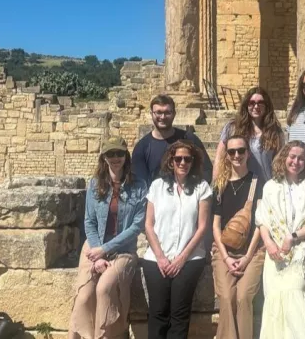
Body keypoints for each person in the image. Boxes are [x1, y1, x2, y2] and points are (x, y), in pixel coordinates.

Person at [69, 137, 147, 339]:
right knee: (84, 295)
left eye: (119, 153)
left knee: (105, 288)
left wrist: (106, 249)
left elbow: (136, 226)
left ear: (126, 156)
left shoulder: (139, 186)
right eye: (110, 154)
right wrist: (98, 253)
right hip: (93, 247)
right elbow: (89, 221)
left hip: (123, 250)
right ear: (104, 157)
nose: (115, 158)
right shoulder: (95, 184)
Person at [142, 140, 213, 339]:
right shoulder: (158, 186)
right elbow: (148, 224)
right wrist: (161, 257)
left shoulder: (202, 187)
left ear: (193, 162)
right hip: (157, 258)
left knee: (179, 315)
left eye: (187, 159)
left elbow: (202, 227)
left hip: (190, 258)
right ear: (171, 161)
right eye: (178, 159)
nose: (183, 163)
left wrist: (181, 259)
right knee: (157, 313)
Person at [256, 141, 305, 339]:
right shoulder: (271, 186)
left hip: (302, 257)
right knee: (275, 307)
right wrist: (269, 243)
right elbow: (262, 220)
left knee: (297, 297)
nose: (296, 162)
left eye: (301, 158)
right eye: (292, 156)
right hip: (275, 257)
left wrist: (293, 237)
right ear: (284, 157)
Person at [211, 136, 266, 339]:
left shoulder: (258, 183)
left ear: (248, 153)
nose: (236, 155)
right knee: (226, 297)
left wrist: (247, 257)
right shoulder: (220, 184)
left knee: (243, 297)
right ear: (226, 155)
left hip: (252, 250)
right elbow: (215, 225)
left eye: (241, 150)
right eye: (232, 151)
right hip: (224, 250)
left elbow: (260, 223)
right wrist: (226, 258)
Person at [132, 94, 212, 186]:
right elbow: (140, 184)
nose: (163, 117)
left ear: (174, 114)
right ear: (151, 114)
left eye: (167, 112)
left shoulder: (189, 139)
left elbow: (206, 172)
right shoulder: (142, 147)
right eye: (158, 112)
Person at [214, 86, 284, 183]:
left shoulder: (275, 132)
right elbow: (219, 158)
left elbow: (280, 163)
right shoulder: (232, 128)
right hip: (239, 185)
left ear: (267, 106)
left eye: (260, 103)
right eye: (252, 103)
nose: (256, 106)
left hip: (266, 186)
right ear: (246, 105)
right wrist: (216, 183)